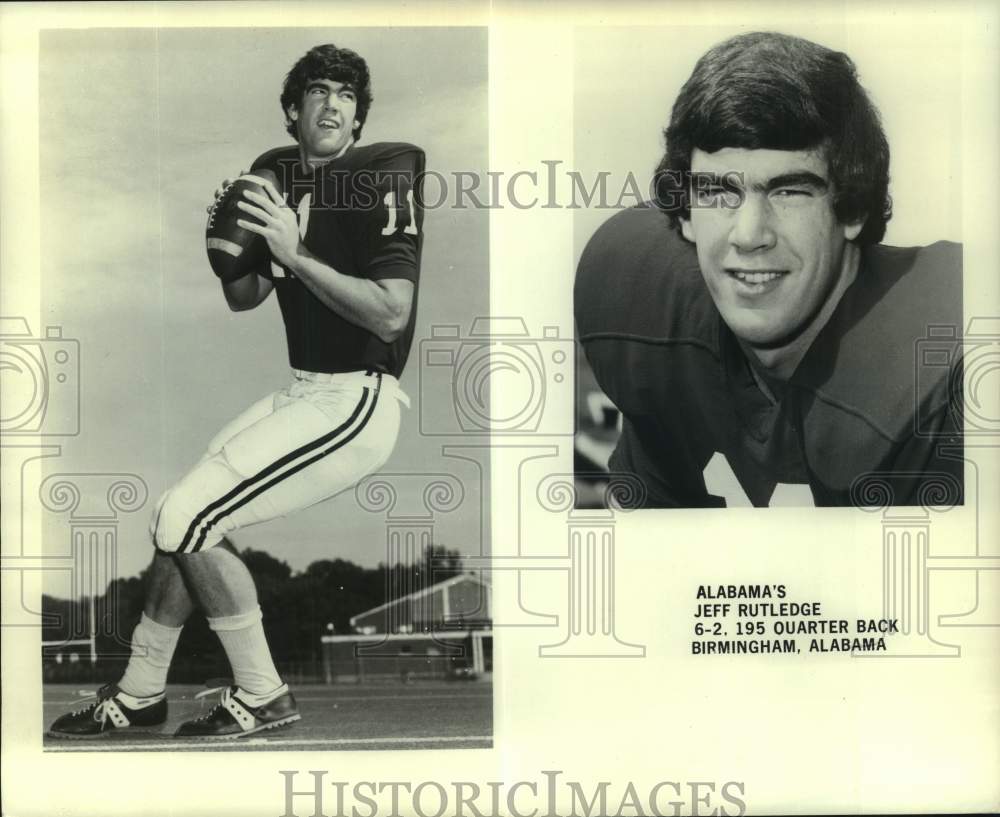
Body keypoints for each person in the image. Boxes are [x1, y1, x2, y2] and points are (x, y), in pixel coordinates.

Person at [49, 43, 424, 738]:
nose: (333, 103)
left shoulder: (384, 171)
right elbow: (245, 297)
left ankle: (263, 692)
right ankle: (139, 692)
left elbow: (391, 310)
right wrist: (231, 250)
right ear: (293, 109)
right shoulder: (274, 173)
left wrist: (292, 251)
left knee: (187, 515)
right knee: (178, 514)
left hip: (357, 400)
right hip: (304, 391)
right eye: (318, 91)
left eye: (347, 94)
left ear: (360, 117)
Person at [574, 31, 963, 508]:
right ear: (685, 213)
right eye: (717, 192)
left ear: (852, 207)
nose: (749, 234)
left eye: (789, 191)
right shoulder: (647, 312)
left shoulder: (946, 361)